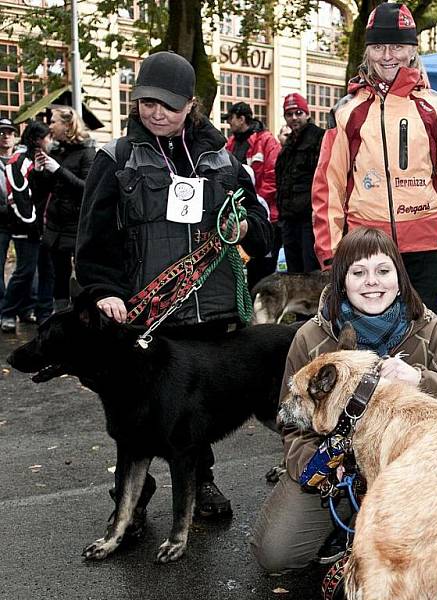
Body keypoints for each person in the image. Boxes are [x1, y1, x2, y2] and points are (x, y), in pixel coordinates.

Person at [75, 51, 270, 523]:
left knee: (196, 411)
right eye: (147, 102)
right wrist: (104, 290)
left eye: (168, 104)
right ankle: (131, 501)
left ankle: (200, 480)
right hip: (146, 313)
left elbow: (264, 229)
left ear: (191, 104)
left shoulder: (224, 160)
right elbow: (93, 239)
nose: (156, 112)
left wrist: (246, 229)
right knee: (133, 415)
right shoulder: (116, 157)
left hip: (211, 311)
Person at [249, 226, 437, 573]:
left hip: (417, 473)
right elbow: (293, 423)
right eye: (358, 273)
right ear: (341, 281)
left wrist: (421, 380)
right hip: (338, 470)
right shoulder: (312, 336)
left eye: (383, 271)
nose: (372, 282)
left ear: (399, 277)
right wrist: (322, 469)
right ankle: (342, 525)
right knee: (275, 553)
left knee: (416, 564)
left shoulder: (431, 329)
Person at [312, 2, 437, 317]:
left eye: (398, 46)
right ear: (367, 51)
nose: (388, 56)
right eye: (379, 46)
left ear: (413, 50)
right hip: (365, 250)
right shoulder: (347, 111)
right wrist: (331, 255)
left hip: (427, 251)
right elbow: (328, 186)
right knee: (366, 348)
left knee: (425, 346)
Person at [0, 121, 55, 333]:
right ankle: (8, 312)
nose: (51, 141)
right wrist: (30, 221)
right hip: (25, 227)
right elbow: (19, 195)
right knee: (25, 270)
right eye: (47, 137)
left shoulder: (42, 160)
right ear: (37, 139)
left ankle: (41, 312)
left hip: (43, 226)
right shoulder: (18, 161)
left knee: (45, 272)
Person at [41, 106, 96, 312]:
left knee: (82, 273)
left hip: (77, 224)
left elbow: (86, 188)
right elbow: (46, 189)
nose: (50, 126)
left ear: (67, 125)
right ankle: (60, 315)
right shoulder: (55, 150)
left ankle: (84, 316)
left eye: (54, 121)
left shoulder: (87, 152)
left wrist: (59, 170)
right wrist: (39, 173)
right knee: (58, 274)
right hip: (56, 224)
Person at [225, 101, 282, 289]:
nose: (229, 124)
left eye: (230, 119)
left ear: (241, 119)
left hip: (265, 216)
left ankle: (260, 305)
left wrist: (258, 203)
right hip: (239, 216)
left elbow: (273, 176)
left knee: (262, 268)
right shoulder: (231, 144)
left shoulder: (266, 141)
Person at [275, 93, 324, 273]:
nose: (294, 118)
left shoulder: (319, 137)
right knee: (293, 270)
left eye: (298, 113)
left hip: (309, 218)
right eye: (289, 114)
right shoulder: (289, 143)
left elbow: (323, 178)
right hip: (289, 218)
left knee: (311, 269)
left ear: (307, 113)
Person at [0, 117, 19, 309]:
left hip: (23, 223)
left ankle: (23, 307)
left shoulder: (22, 160)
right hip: (1, 222)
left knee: (26, 268)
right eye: (1, 133)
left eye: (10, 133)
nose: (6, 137)